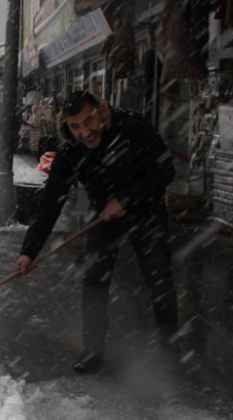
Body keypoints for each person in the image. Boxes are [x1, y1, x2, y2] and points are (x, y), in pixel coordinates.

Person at [12, 90, 179, 373]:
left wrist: (125, 199)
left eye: (89, 122)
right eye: (76, 126)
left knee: (159, 279)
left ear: (101, 112)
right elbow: (51, 200)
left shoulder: (133, 125)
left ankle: (171, 351)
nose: (84, 132)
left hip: (146, 210)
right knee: (94, 280)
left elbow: (164, 171)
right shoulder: (70, 149)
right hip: (104, 217)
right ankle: (93, 350)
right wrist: (29, 250)